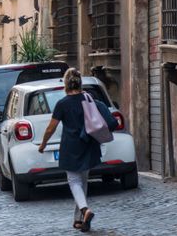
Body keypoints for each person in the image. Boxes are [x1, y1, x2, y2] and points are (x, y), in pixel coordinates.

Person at [38, 68, 118, 233]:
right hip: (89, 144)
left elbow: (51, 128)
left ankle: (85, 210)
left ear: (66, 84)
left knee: (74, 181)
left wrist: (43, 144)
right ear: (80, 83)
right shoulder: (89, 99)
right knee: (82, 181)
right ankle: (79, 220)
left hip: (72, 146)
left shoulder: (63, 104)